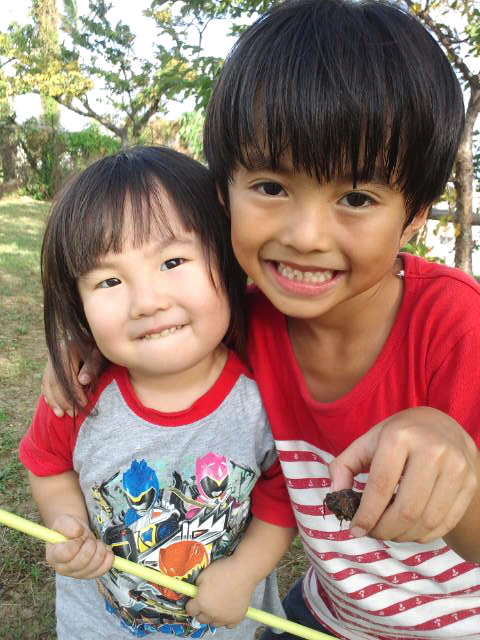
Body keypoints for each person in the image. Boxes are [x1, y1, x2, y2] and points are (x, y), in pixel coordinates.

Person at [40, 1, 480, 638]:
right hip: (323, 616)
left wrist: (459, 458)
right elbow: (160, 327)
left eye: (357, 197)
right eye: (271, 187)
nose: (305, 236)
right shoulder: (242, 317)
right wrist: (86, 344)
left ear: (414, 216)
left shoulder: (460, 328)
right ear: (224, 190)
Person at [19, 146, 296, 640]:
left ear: (226, 257)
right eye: (109, 280)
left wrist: (244, 571)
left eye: (173, 261)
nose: (146, 302)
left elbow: (281, 495)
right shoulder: (76, 394)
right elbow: (48, 464)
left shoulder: (262, 395)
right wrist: (67, 523)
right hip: (100, 627)